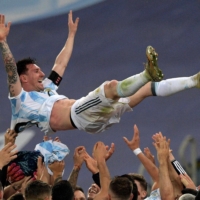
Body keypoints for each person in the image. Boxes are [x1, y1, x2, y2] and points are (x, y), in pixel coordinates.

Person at [1, 13, 199, 136]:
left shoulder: (47, 88)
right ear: (23, 78)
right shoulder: (20, 100)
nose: (42, 73)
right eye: (36, 71)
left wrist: (71, 35)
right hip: (80, 116)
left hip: (93, 116)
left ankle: (193, 81)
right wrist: (3, 42)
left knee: (144, 90)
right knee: (111, 87)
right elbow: (11, 71)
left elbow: (60, 63)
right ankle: (148, 73)